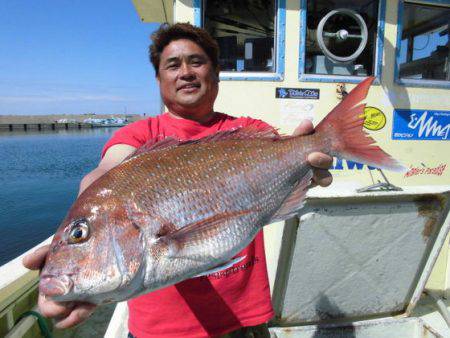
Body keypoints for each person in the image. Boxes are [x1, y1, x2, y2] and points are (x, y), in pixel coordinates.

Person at [23, 23, 333, 337]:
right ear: (159, 79)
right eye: (173, 65)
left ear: (216, 73)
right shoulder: (139, 137)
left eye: (196, 62)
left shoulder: (249, 131)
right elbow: (105, 172)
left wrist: (307, 164)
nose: (185, 72)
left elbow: (286, 169)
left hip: (244, 319)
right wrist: (77, 231)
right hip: (159, 330)